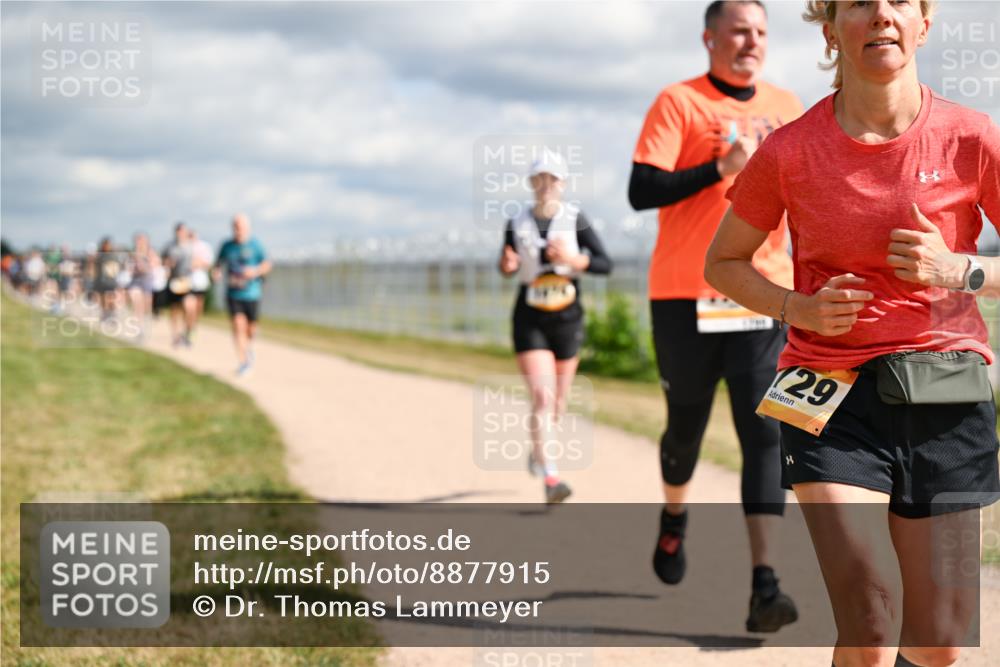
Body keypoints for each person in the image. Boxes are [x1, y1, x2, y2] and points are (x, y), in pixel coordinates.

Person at [705, 1, 1000, 664]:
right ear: (831, 27)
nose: (881, 15)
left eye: (900, 1)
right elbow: (722, 260)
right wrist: (795, 307)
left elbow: (977, 268)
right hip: (828, 394)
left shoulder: (972, 136)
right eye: (859, 3)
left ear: (925, 24)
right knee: (870, 616)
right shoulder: (789, 149)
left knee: (940, 643)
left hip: (945, 394)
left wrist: (959, 270)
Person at [628, 0, 802, 632]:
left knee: (766, 433)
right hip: (684, 294)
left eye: (760, 31)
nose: (751, 40)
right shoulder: (679, 102)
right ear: (710, 38)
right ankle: (675, 513)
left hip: (761, 290)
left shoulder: (787, 106)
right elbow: (641, 190)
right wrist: (717, 169)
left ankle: (765, 586)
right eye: (738, 30)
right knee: (685, 432)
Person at [499, 152, 612, 504]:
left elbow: (605, 263)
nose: (546, 185)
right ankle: (551, 478)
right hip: (530, 316)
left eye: (553, 179)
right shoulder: (516, 222)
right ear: (532, 183)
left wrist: (575, 260)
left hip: (566, 316)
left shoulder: (575, 219)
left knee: (559, 401)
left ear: (562, 183)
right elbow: (504, 264)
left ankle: (538, 451)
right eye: (539, 179)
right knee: (543, 397)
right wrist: (507, 264)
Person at [214, 213, 271, 376]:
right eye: (236, 227)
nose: (238, 230)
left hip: (252, 294)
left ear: (247, 228)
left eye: (241, 227)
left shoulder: (255, 245)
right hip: (233, 294)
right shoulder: (226, 246)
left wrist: (255, 271)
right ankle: (244, 361)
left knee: (251, 329)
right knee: (238, 325)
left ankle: (249, 347)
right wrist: (216, 273)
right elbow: (218, 264)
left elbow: (267, 264)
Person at [162, 222, 197, 347]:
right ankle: (176, 336)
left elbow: (199, 260)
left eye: (182, 231)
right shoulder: (169, 247)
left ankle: (187, 332)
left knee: (190, 307)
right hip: (174, 281)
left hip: (187, 281)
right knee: (175, 309)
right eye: (178, 231)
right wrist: (167, 264)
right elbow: (164, 261)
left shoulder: (191, 245)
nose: (180, 234)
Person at [127, 233, 160, 339]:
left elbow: (154, 265)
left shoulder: (150, 252)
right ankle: (138, 327)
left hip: (147, 282)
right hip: (136, 281)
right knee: (136, 302)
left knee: (146, 306)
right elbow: (130, 269)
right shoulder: (133, 254)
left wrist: (143, 265)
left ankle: (145, 325)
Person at [189, 228, 215, 329]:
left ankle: (194, 323)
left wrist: (198, 263)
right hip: (187, 281)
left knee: (198, 305)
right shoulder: (185, 247)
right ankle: (189, 324)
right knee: (189, 305)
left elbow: (209, 263)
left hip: (200, 281)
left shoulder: (204, 247)